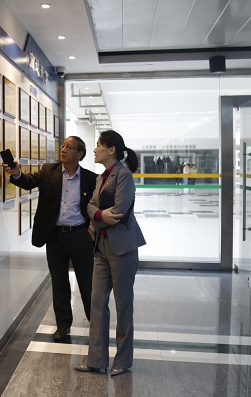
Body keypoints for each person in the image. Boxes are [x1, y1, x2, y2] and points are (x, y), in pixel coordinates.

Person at [3, 136, 97, 342]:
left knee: (88, 283)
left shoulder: (91, 178)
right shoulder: (49, 170)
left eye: (69, 147)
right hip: (55, 236)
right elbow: (28, 182)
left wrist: (91, 229)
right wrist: (16, 172)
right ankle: (63, 326)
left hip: (80, 236)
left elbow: (98, 205)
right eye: (63, 146)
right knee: (59, 282)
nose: (63, 149)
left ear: (80, 154)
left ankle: (96, 326)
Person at [75, 130, 146, 377]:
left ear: (111, 149)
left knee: (123, 305)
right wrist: (98, 214)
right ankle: (96, 360)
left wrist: (99, 216)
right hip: (101, 247)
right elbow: (90, 206)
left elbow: (118, 212)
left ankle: (123, 360)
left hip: (122, 249)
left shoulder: (124, 175)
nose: (95, 149)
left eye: (98, 145)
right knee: (96, 303)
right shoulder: (101, 177)